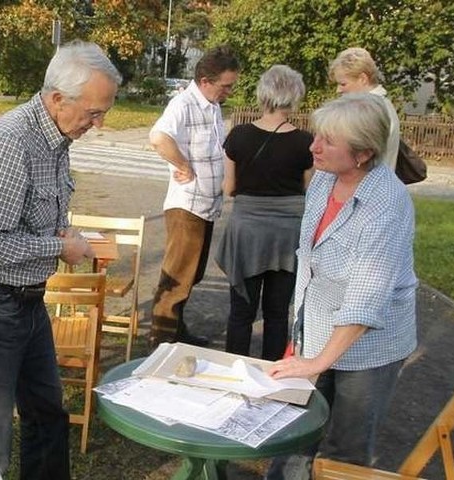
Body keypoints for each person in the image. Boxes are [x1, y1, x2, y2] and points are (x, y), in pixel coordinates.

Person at [0, 40, 122, 479]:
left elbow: (32, 212)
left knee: (48, 415)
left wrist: (61, 231)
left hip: (28, 303)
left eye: (102, 112)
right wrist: (58, 247)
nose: (98, 123)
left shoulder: (57, 136)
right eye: (93, 112)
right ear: (57, 99)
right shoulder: (14, 140)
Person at [266, 93, 418, 479]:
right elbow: (310, 260)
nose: (313, 146)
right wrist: (300, 338)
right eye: (317, 136)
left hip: (368, 350)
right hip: (317, 331)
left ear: (363, 153)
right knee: (296, 430)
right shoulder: (323, 179)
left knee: (343, 452)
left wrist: (319, 362)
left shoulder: (386, 203)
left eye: (328, 141)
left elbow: (365, 301)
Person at [215, 65, 313, 361]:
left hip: (248, 232)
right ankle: (272, 374)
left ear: (263, 94)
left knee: (241, 312)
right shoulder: (306, 142)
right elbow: (309, 192)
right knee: (277, 313)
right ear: (295, 96)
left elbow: (230, 187)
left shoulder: (239, 135)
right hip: (287, 235)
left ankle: (235, 368)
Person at [149, 45, 240, 348]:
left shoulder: (211, 105)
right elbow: (159, 138)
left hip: (205, 207)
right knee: (176, 277)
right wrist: (182, 164)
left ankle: (175, 331)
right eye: (226, 85)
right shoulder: (184, 104)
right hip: (187, 206)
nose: (229, 91)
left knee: (191, 275)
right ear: (205, 81)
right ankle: (160, 342)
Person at [328, 47, 401, 170]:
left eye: (343, 84)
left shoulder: (369, 110)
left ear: (362, 78)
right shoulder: (384, 104)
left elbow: (352, 158)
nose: (338, 90)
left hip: (366, 184)